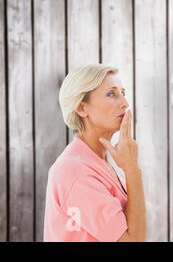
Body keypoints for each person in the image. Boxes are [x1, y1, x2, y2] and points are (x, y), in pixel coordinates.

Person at [44, 64, 146, 242]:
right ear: (82, 108)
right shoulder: (75, 172)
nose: (125, 103)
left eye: (123, 93)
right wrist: (132, 169)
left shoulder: (100, 161)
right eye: (112, 94)